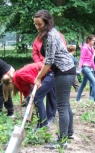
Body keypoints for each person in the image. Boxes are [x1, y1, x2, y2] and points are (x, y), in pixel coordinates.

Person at [33, 9, 76, 149]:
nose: (37, 27)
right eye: (35, 24)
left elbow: (49, 61)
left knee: (62, 106)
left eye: (39, 24)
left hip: (64, 72)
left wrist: (38, 78)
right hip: (67, 70)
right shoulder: (51, 33)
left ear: (47, 22)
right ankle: (69, 133)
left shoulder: (51, 36)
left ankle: (62, 141)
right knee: (65, 104)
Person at [2, 62, 55, 128]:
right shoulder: (18, 81)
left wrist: (30, 98)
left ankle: (43, 124)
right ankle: (40, 123)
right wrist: (28, 102)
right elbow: (27, 93)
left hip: (49, 72)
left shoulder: (19, 75)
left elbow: (36, 83)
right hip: (44, 75)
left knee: (37, 98)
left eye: (10, 88)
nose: (11, 89)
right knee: (34, 99)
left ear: (10, 82)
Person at [32, 33, 67, 124]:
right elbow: (35, 53)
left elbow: (61, 51)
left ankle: (50, 116)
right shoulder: (38, 38)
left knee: (52, 92)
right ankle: (42, 117)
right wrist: (38, 63)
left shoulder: (57, 35)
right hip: (41, 69)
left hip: (53, 68)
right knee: (40, 93)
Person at [75, 34, 95, 104]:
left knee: (83, 84)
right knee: (94, 83)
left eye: (94, 40)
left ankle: (77, 99)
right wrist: (79, 68)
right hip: (85, 67)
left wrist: (94, 68)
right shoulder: (85, 48)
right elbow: (81, 58)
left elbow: (92, 60)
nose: (93, 42)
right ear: (88, 40)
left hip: (89, 67)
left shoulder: (92, 48)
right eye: (93, 40)